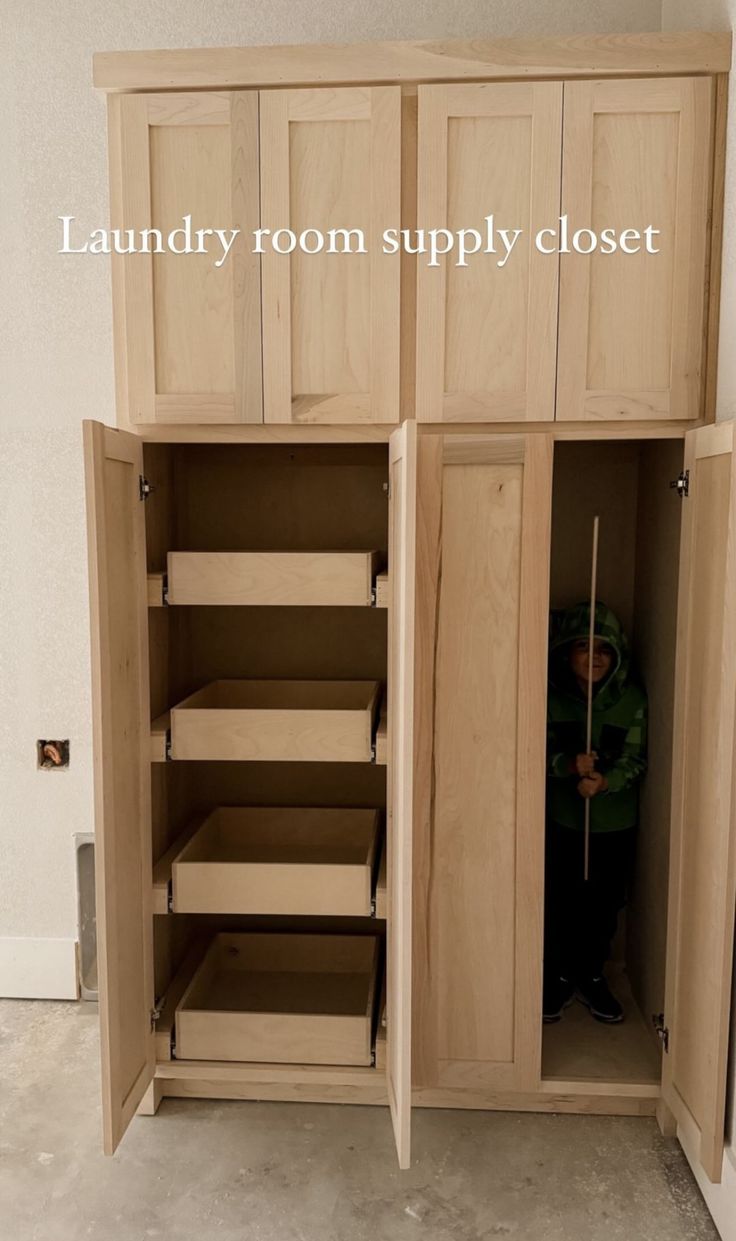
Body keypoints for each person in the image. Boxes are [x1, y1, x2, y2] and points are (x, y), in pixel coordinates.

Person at [544, 602, 647, 1024]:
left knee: (603, 905)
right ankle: (561, 976)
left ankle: (592, 975)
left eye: (604, 648)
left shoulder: (631, 700)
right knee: (561, 900)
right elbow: (537, 753)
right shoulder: (552, 697)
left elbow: (637, 759)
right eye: (583, 646)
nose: (595, 657)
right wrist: (569, 765)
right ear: (566, 652)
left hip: (613, 824)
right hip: (563, 820)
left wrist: (606, 782)